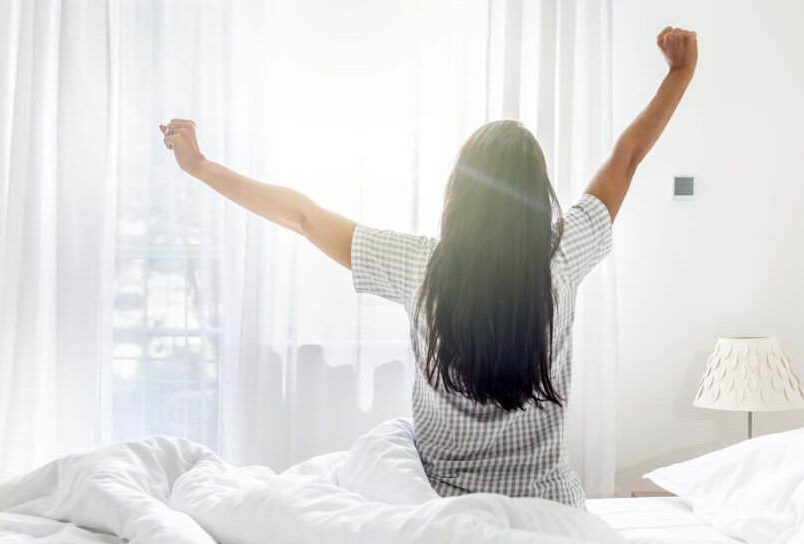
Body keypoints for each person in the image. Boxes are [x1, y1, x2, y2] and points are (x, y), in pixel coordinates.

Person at [161, 27, 697, 507]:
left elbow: (302, 215)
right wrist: (679, 74)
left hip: (440, 512)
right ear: (539, 200)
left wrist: (201, 167)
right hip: (549, 509)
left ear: (458, 196)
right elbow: (626, 157)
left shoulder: (419, 267)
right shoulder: (564, 256)